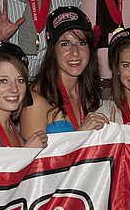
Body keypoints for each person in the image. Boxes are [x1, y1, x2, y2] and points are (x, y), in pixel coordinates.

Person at [21, 7, 109, 137]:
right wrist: (81, 134)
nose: (75, 52)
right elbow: (32, 151)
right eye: (65, 44)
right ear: (53, 50)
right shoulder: (36, 100)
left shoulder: (86, 92)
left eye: (81, 43)